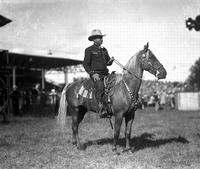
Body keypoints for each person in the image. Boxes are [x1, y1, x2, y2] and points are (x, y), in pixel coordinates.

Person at [83, 29, 114, 118]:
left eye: (101, 37)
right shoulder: (89, 50)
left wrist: (110, 61)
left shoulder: (104, 50)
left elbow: (108, 62)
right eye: (98, 38)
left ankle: (113, 106)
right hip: (96, 74)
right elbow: (85, 64)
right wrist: (92, 73)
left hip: (106, 73)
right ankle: (102, 109)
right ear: (93, 39)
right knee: (100, 87)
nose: (101, 39)